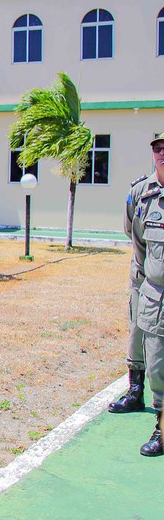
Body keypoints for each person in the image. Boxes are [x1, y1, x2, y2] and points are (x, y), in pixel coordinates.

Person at [109, 149, 158, 414]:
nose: (162, 153)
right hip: (144, 275)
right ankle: (135, 392)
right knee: (137, 331)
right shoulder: (140, 190)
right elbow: (132, 230)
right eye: (158, 148)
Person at [131, 132, 164, 456]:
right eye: (158, 148)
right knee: (157, 368)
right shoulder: (145, 197)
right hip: (157, 298)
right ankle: (161, 429)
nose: (163, 153)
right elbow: (138, 241)